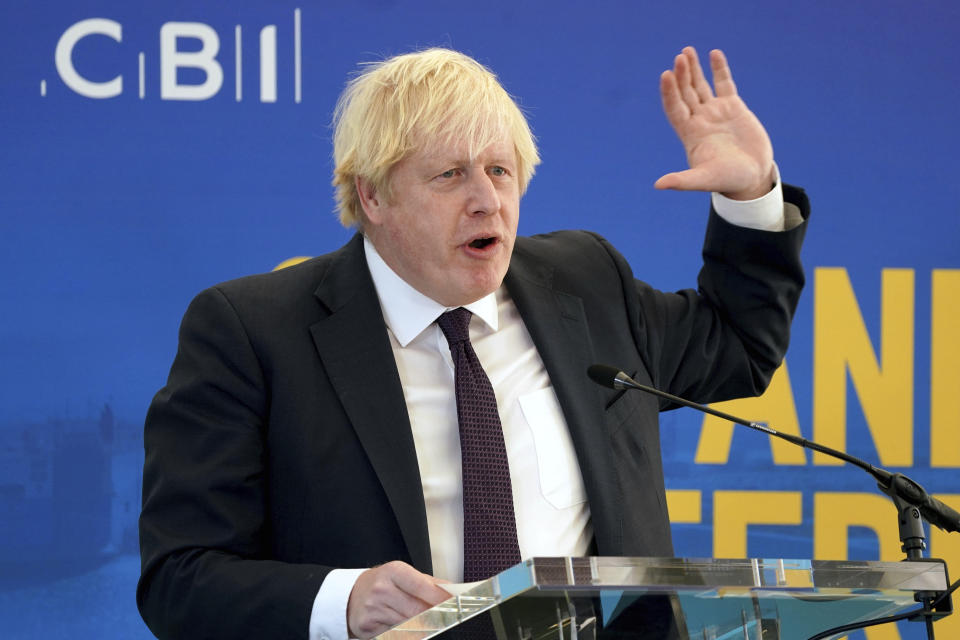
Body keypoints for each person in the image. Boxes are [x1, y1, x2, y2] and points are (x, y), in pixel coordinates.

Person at [137, 46, 808, 640]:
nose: (488, 201)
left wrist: (750, 194)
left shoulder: (587, 283)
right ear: (372, 195)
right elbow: (180, 578)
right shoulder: (253, 332)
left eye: (501, 170)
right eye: (451, 175)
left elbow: (738, 344)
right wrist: (343, 602)